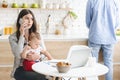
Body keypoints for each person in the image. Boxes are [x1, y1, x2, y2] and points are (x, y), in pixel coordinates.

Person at [9, 9, 52, 80]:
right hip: (21, 68)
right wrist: (21, 35)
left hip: (37, 66)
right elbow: (18, 55)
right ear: (20, 20)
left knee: (46, 76)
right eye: (27, 18)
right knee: (39, 77)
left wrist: (36, 56)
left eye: (32, 19)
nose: (30, 21)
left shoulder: (38, 35)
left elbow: (43, 52)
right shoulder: (12, 37)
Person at [86, 0, 120, 80]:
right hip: (110, 37)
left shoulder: (91, 1)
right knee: (108, 63)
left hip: (95, 36)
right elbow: (117, 23)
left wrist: (94, 28)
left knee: (92, 63)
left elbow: (88, 21)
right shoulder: (115, 2)